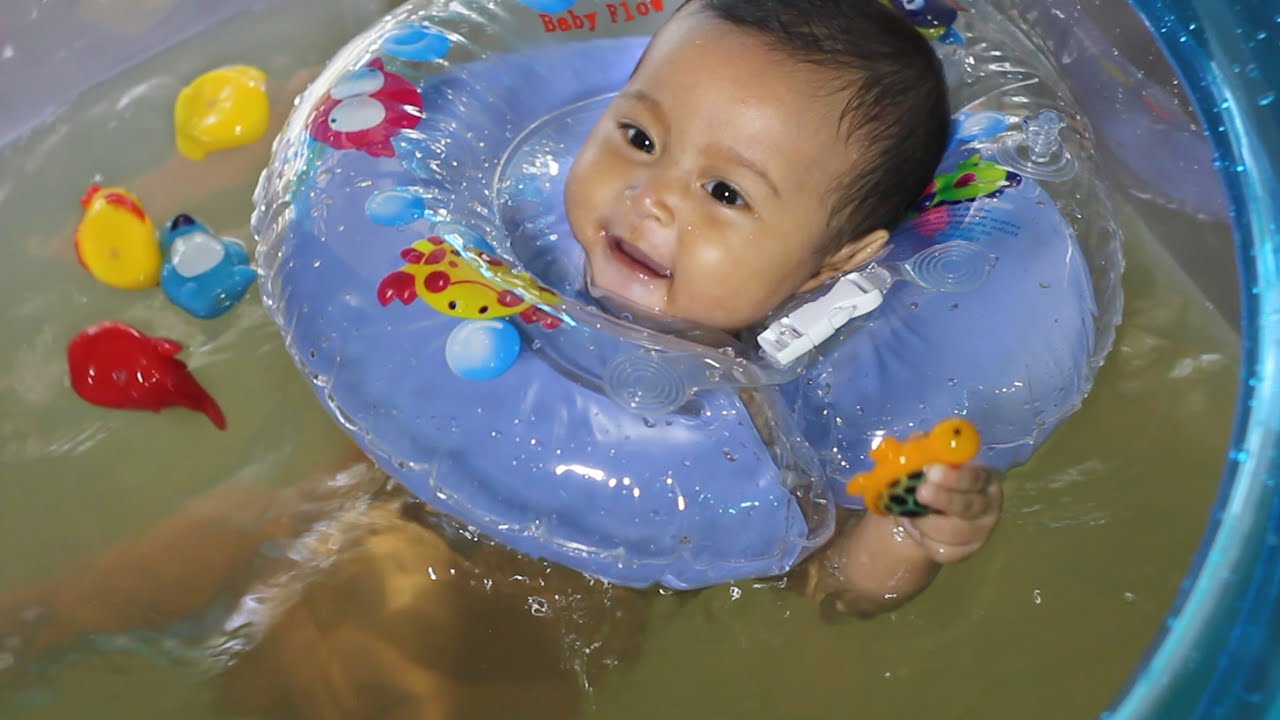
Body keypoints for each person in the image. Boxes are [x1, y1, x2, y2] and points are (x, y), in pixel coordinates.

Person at [0, 1, 1002, 717]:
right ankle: (38, 624)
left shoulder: (769, 417)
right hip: (356, 508)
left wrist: (908, 531)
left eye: (726, 195)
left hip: (500, 647)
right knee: (197, 548)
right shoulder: (522, 245)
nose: (651, 195)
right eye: (639, 134)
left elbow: (824, 583)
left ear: (832, 265)